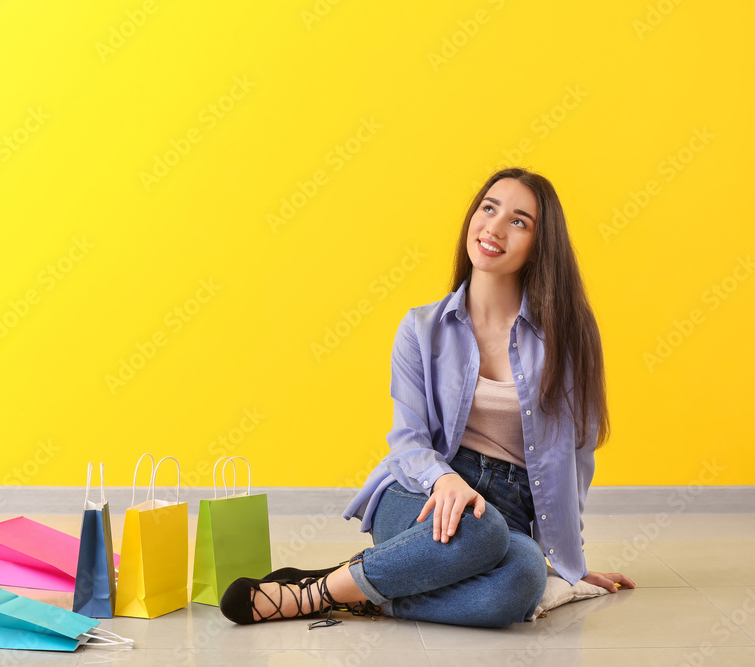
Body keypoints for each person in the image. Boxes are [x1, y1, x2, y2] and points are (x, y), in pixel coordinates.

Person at [220, 167, 636, 629]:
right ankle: (319, 594)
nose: (495, 228)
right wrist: (445, 482)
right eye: (488, 208)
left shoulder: (569, 337)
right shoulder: (421, 329)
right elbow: (408, 437)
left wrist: (565, 560)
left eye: (519, 221)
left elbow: (573, 458)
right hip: (419, 494)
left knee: (521, 578)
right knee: (480, 529)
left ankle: (345, 588)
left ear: (541, 245)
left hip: (509, 514)